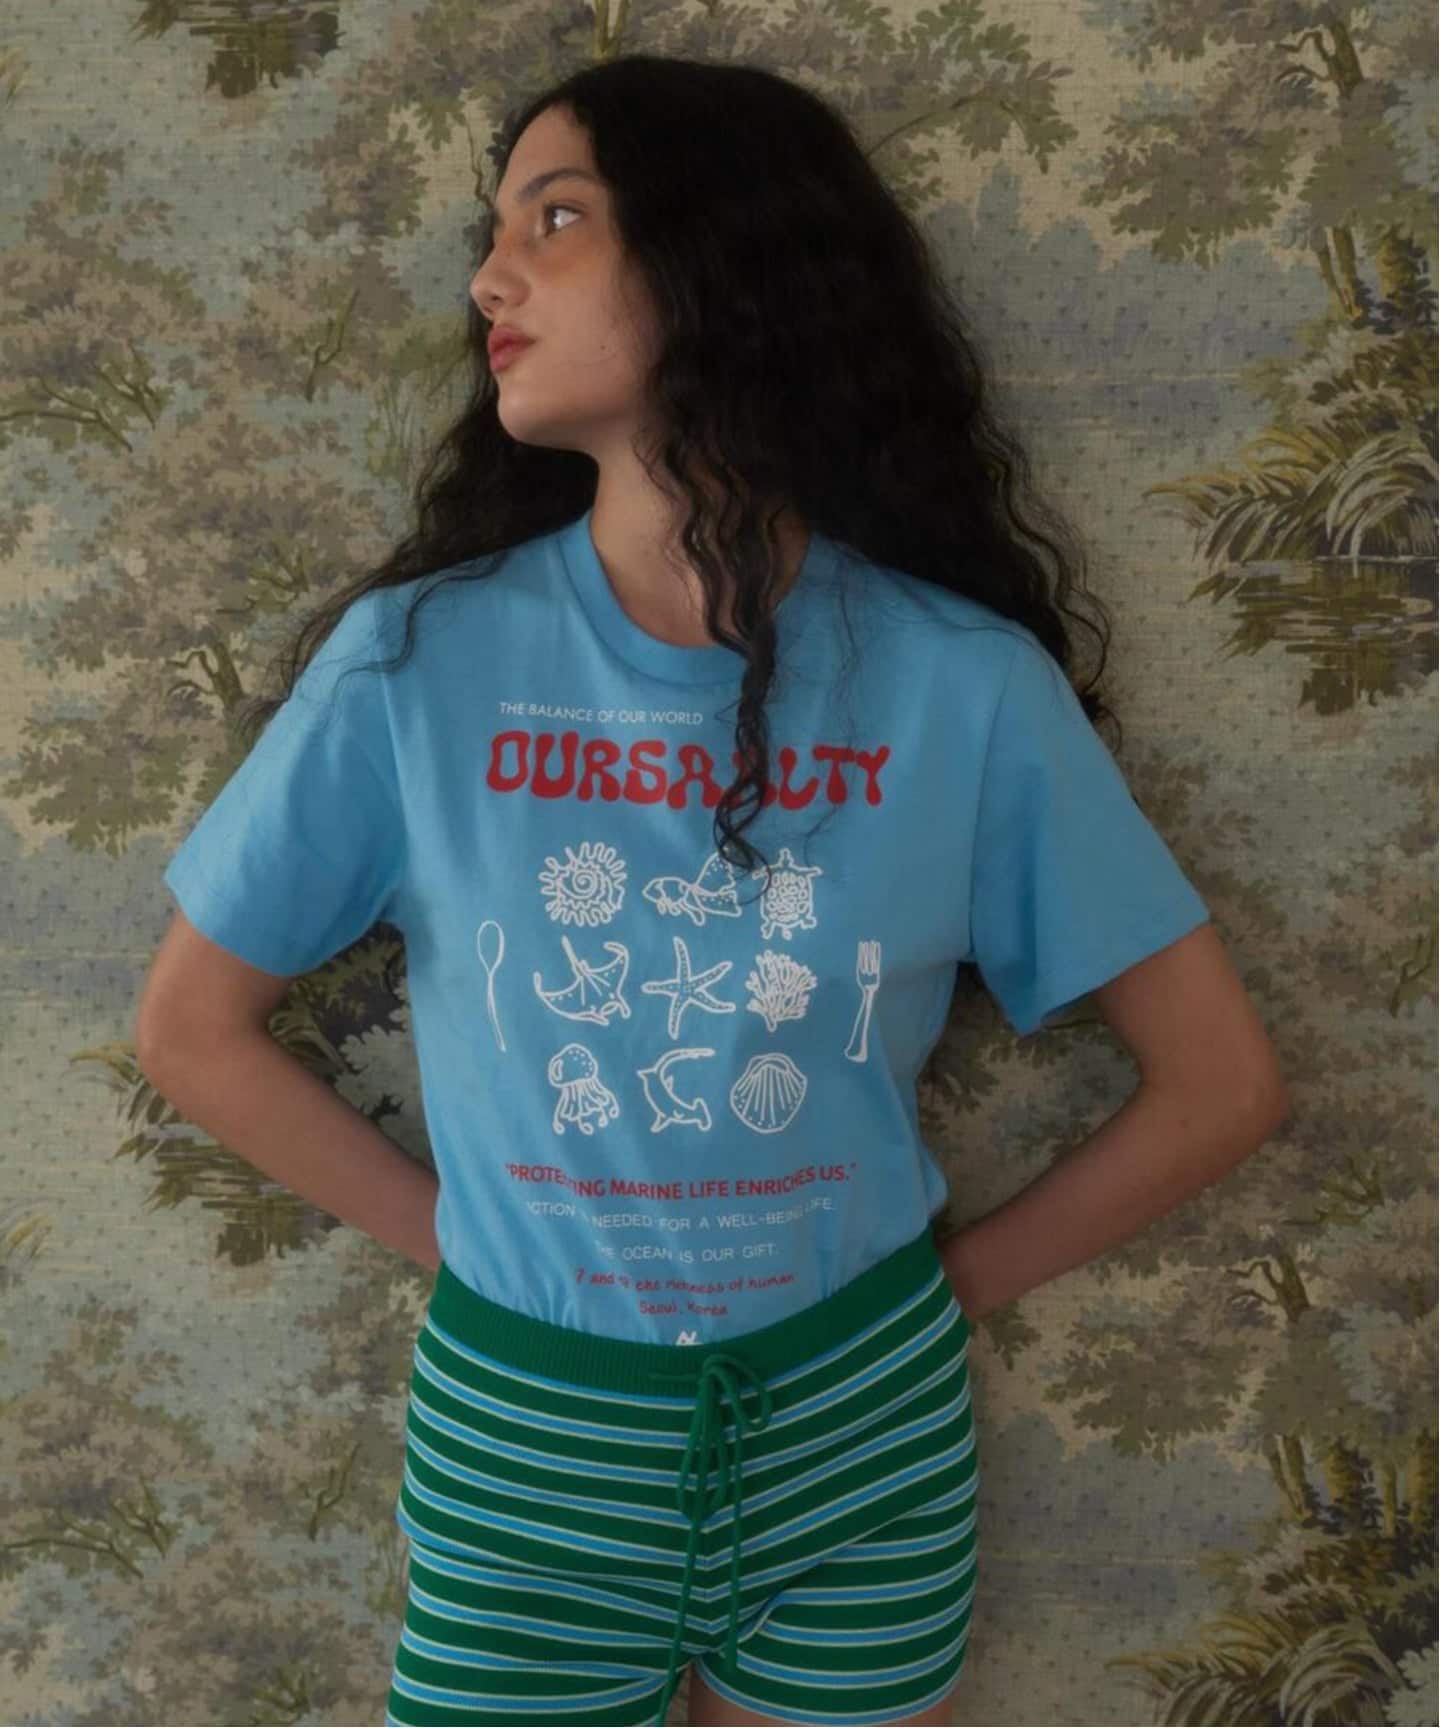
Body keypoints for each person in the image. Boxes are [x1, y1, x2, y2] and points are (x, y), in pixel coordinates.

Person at [135, 53, 1288, 1728]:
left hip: (864, 1447)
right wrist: (468, 1252)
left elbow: (1222, 1087)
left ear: (719, 259)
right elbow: (189, 1031)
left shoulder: (964, 688)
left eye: (556, 219)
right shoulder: (416, 667)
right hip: (526, 1454)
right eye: (493, 231)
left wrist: (933, 1302)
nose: (489, 278)